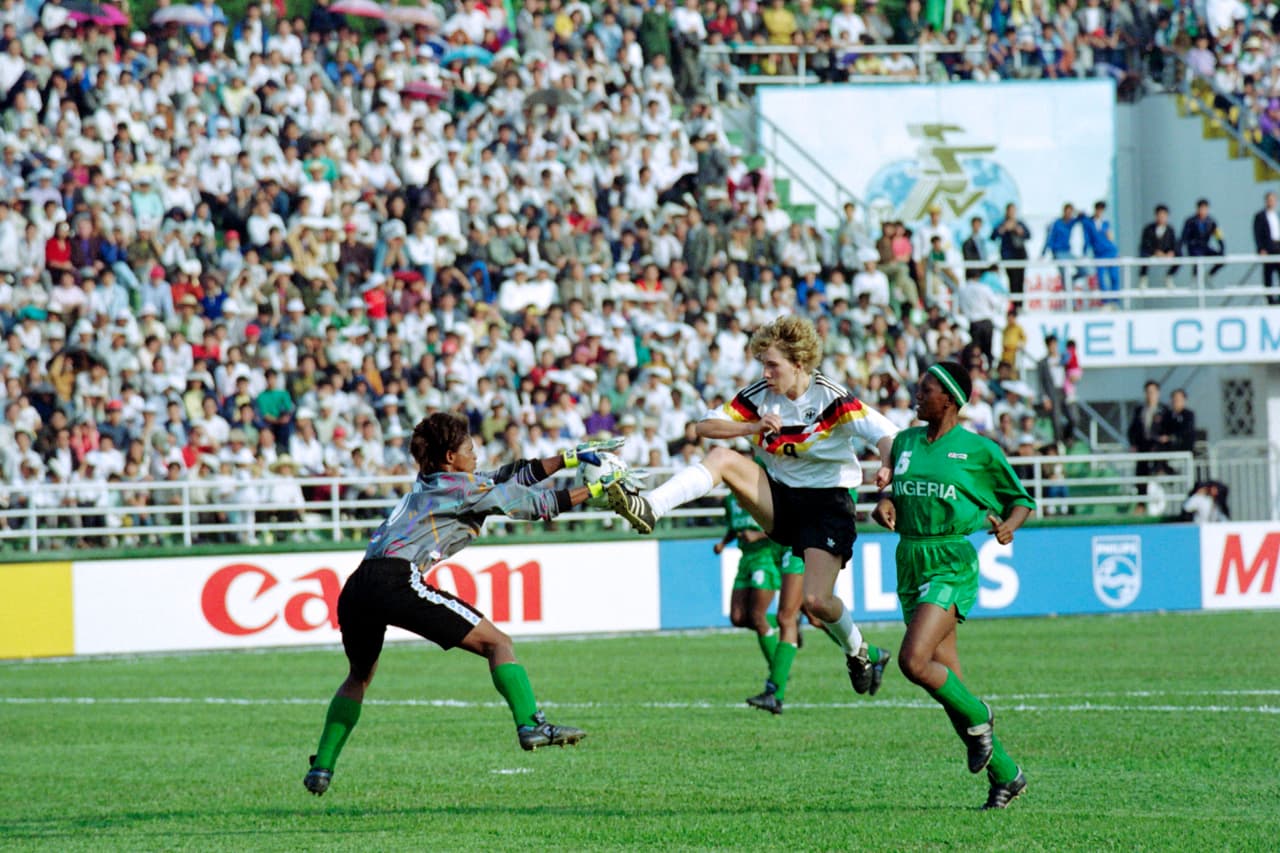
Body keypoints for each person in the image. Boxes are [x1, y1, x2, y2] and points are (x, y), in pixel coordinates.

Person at [302, 413, 630, 796]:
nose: (476, 455)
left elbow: (508, 477)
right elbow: (533, 506)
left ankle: (322, 767)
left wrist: (569, 458)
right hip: (395, 578)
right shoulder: (462, 490)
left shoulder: (434, 482)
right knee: (498, 643)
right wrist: (595, 491)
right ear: (448, 458)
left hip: (357, 585)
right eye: (469, 450)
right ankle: (531, 724)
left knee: (359, 676)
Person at [607, 316, 899, 701]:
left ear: (799, 363)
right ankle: (650, 507)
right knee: (722, 457)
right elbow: (705, 426)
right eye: (762, 363)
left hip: (827, 504)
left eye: (772, 364)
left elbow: (888, 435)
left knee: (815, 603)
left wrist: (886, 465)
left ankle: (861, 652)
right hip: (779, 496)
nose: (765, 371)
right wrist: (752, 428)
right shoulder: (761, 394)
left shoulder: (832, 398)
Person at [871, 362, 1035, 810]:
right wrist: (884, 503)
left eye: (925, 389)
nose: (916, 394)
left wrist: (1008, 528)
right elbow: (893, 492)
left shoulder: (978, 450)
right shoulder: (904, 442)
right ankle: (1007, 775)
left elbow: (1021, 500)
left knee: (912, 659)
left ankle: (983, 716)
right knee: (950, 687)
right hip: (909, 557)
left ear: (950, 399)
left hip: (949, 561)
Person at [714, 488, 806, 714]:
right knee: (738, 617)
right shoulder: (730, 500)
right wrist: (724, 542)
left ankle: (778, 667)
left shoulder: (757, 492)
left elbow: (781, 524)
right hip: (745, 559)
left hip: (765, 559)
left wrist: (757, 535)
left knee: (757, 616)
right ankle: (793, 622)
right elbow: (734, 527)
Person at [1138, 204, 1178, 287]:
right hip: (1151, 253)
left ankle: (1169, 276)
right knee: (1143, 255)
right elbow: (1145, 243)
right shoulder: (1148, 228)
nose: (1162, 217)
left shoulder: (1170, 229)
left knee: (1180, 255)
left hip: (1166, 253)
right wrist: (1155, 252)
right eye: (1160, 215)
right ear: (1156, 216)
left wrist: (1171, 252)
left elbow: (1174, 243)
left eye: (1164, 215)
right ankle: (1143, 278)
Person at [1251, 191, 1280, 304]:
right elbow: (1257, 233)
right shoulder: (1260, 216)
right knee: (1268, 275)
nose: (1271, 202)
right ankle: (1270, 300)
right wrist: (1261, 248)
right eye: (1269, 200)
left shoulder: (1277, 215)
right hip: (1268, 247)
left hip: (1278, 246)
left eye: (1273, 200)